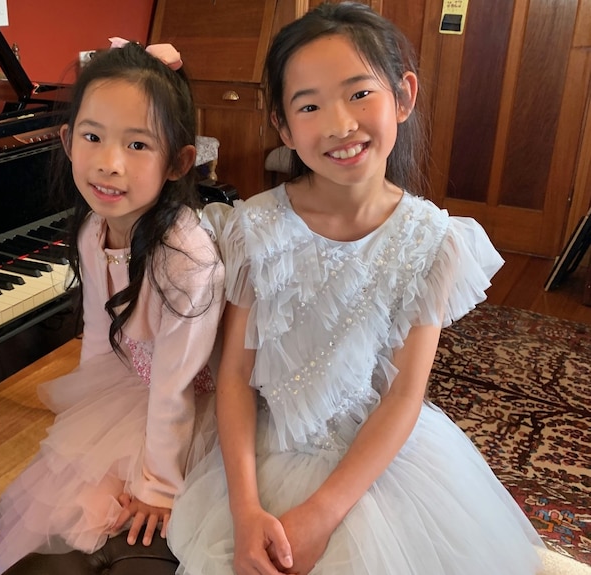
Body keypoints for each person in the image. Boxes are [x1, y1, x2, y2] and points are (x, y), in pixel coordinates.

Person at [167, 3, 545, 574]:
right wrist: (246, 510)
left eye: (359, 94)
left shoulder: (434, 241)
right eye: (310, 105)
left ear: (404, 95)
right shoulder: (253, 228)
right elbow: (237, 379)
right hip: (257, 454)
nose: (340, 124)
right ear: (284, 126)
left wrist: (322, 514)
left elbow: (402, 397)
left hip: (374, 462)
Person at [0, 39, 225, 575]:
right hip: (134, 394)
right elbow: (97, 336)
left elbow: (175, 386)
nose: (109, 164)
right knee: (72, 503)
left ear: (179, 161)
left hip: (198, 411)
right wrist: (83, 437)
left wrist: (159, 487)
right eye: (93, 137)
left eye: (137, 145)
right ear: (67, 141)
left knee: (137, 522)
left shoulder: (185, 259)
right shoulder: (93, 231)